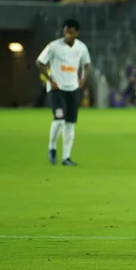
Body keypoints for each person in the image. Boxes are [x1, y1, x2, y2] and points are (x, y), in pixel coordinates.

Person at [36, 19, 91, 166]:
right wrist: (50, 80)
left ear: (76, 33)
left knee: (70, 124)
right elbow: (40, 62)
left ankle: (66, 157)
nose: (67, 34)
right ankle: (52, 147)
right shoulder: (54, 46)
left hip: (72, 88)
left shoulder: (81, 48)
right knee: (59, 120)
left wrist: (83, 78)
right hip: (57, 89)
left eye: (71, 32)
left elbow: (86, 64)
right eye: (65, 31)